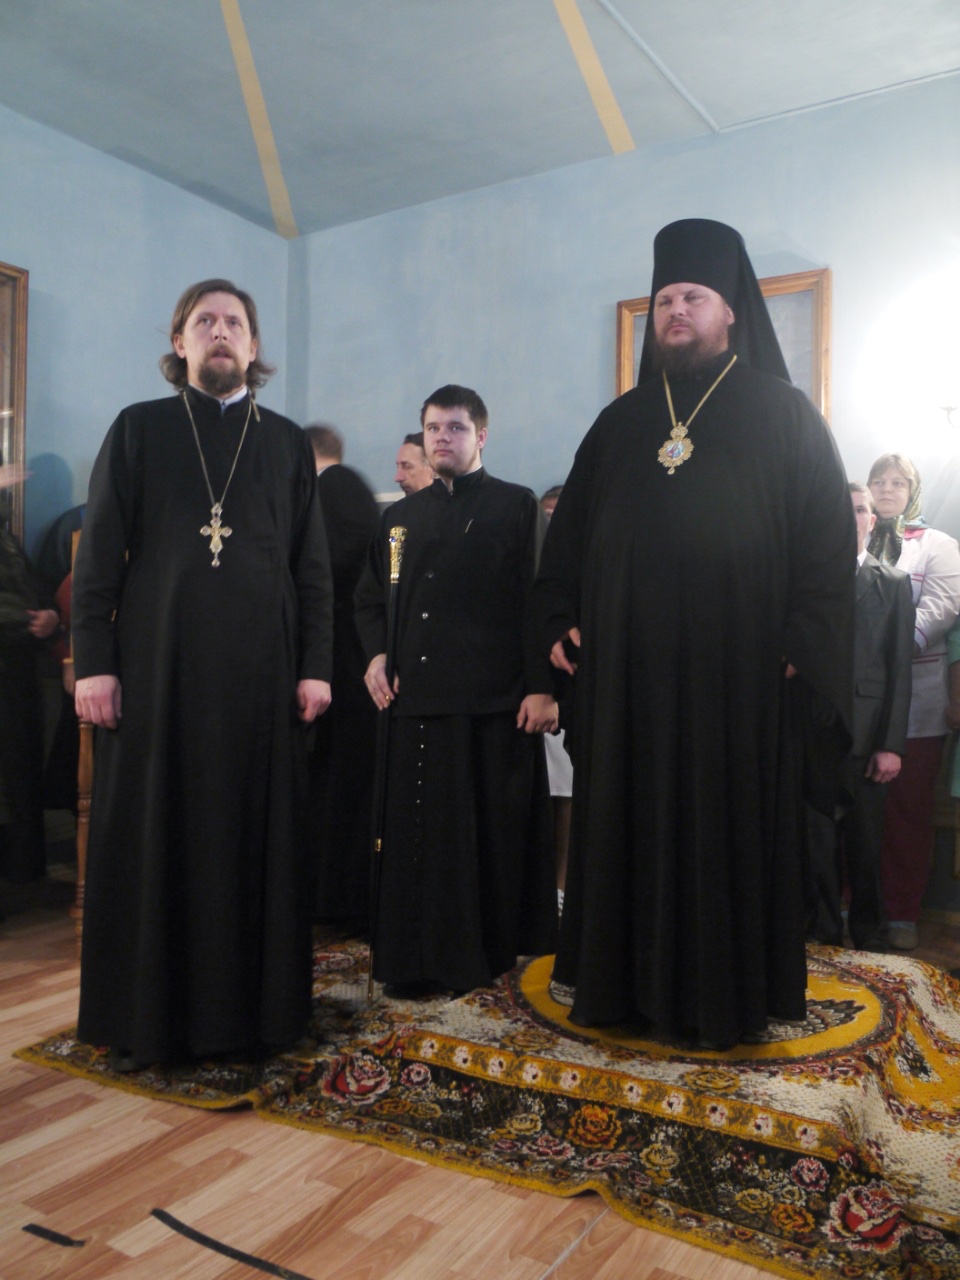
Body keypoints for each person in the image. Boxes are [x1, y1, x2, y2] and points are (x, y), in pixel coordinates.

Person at [532, 218, 854, 1048]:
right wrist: (559, 618)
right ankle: (619, 987)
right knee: (626, 823)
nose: (677, 311)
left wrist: (803, 639)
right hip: (629, 680)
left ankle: (721, 998)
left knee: (725, 834)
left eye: (694, 297)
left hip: (737, 679)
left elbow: (827, 544)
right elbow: (566, 542)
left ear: (730, 310)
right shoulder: (619, 423)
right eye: (666, 299)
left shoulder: (786, 414)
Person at [72, 279, 333, 1070]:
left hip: (261, 683)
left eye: (235, 323)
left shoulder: (285, 443)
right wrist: (94, 665)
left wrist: (316, 668)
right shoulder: (139, 429)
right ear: (179, 342)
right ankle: (147, 1021)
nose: (221, 332)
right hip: (158, 675)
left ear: (253, 347)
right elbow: (98, 559)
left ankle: (252, 1021)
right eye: (205, 321)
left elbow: (312, 569)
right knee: (157, 839)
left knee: (251, 844)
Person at [356, 384, 558, 995]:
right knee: (417, 841)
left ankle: (476, 957)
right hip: (413, 704)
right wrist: (377, 654)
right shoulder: (398, 519)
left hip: (490, 706)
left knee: (477, 843)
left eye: (456, 428)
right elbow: (371, 599)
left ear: (481, 436)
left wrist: (542, 688)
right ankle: (410, 961)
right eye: (433, 429)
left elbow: (540, 601)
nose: (442, 438)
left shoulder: (516, 506)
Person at [806, 483, 914, 950]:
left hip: (869, 739)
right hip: (814, 735)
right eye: (842, 509)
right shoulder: (808, 585)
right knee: (817, 847)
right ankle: (823, 936)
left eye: (859, 509)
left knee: (866, 848)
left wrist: (891, 745)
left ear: (873, 520)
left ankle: (871, 938)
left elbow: (899, 670)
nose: (850, 517)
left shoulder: (893, 584)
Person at [868, 453, 960, 950]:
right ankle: (850, 903)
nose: (886, 489)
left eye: (897, 482)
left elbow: (942, 607)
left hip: (916, 702)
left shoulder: (938, 546)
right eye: (878, 481)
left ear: (912, 490)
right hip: (857, 701)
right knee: (853, 808)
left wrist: (882, 649)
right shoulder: (850, 539)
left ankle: (902, 912)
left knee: (907, 809)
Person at [303, 422, 379, 927]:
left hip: (344, 663)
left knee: (341, 786)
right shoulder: (338, 487)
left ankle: (340, 899)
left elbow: (326, 570)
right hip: (340, 658)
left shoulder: (336, 486)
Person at [540, 485, 572, 898]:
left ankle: (564, 888)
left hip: (567, 697)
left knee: (567, 792)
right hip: (536, 698)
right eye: (546, 515)